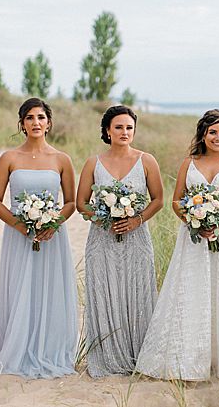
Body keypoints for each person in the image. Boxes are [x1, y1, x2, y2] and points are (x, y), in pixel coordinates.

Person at [136, 109, 219, 382]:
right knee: (194, 291)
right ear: (203, 134)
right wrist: (194, 220)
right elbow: (175, 201)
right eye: (212, 132)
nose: (218, 137)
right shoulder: (190, 162)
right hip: (194, 239)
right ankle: (188, 362)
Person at [0, 98, 78, 378]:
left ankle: (48, 349)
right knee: (20, 289)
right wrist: (20, 226)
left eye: (41, 117)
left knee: (49, 290)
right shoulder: (9, 158)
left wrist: (53, 222)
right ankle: (18, 348)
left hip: (52, 236)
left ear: (49, 123)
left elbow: (71, 202)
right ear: (22, 124)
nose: (36, 123)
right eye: (30, 118)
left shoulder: (62, 159)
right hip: (18, 235)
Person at [75, 105, 164, 377]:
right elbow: (81, 203)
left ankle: (139, 357)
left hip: (137, 240)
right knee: (105, 293)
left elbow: (158, 199)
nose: (124, 132)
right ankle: (107, 357)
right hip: (101, 241)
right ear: (107, 131)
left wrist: (137, 220)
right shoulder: (94, 163)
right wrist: (103, 219)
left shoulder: (146, 161)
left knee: (137, 294)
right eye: (118, 127)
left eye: (129, 127)